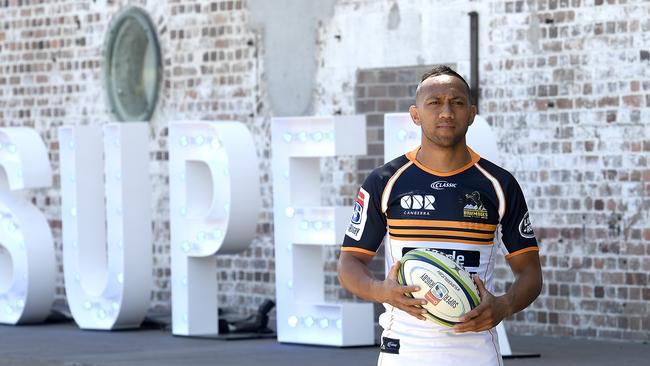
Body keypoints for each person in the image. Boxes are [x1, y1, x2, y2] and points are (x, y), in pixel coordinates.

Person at [337, 65, 542, 366]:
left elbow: (531, 273)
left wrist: (504, 305)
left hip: (475, 353)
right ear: (415, 114)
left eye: (457, 102)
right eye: (434, 102)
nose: (446, 112)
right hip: (403, 351)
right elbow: (349, 263)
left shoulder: (499, 185)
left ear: (472, 113)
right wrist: (381, 290)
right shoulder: (385, 181)